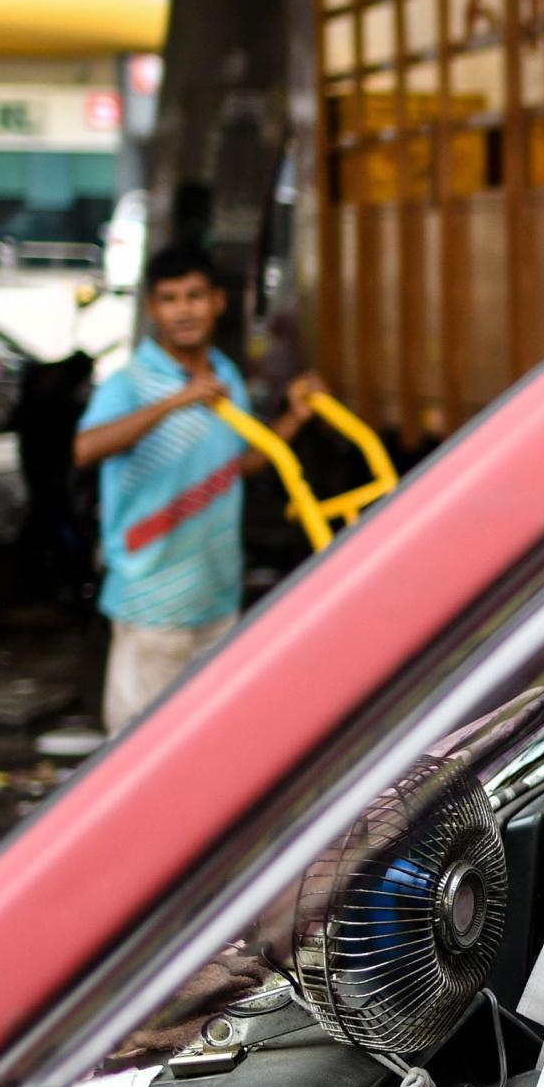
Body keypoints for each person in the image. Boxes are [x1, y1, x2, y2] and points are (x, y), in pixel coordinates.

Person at [74, 243, 328, 734]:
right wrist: (176, 401)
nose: (183, 310)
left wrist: (293, 417)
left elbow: (241, 462)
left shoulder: (224, 374)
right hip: (151, 602)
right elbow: (86, 448)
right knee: (137, 748)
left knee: (206, 740)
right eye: (170, 300)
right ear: (152, 310)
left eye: (194, 296)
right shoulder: (130, 383)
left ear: (217, 302)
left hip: (216, 598)